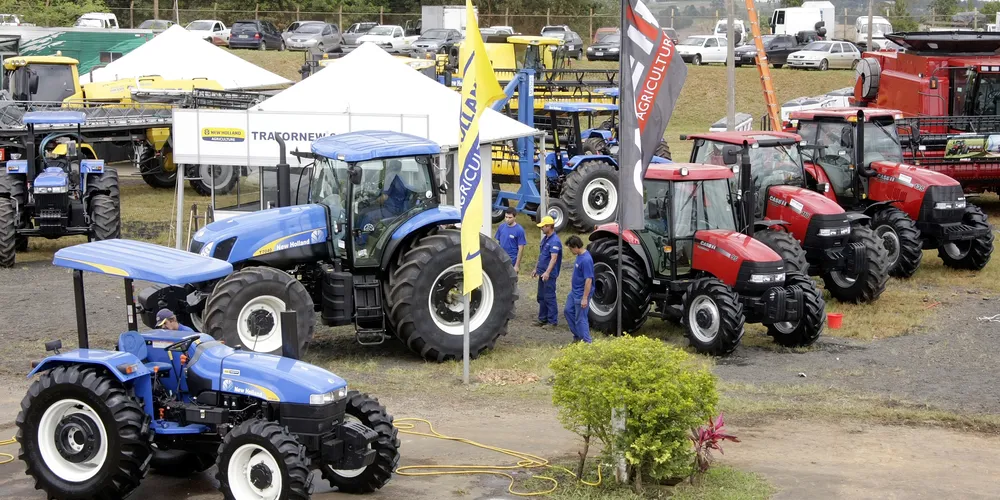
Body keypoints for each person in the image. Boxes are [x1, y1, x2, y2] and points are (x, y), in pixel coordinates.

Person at [531, 216, 562, 328]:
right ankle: (542, 319)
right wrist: (536, 269)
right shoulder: (545, 239)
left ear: (549, 226)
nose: (541, 228)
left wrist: (548, 272)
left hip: (549, 275)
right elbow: (541, 256)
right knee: (541, 296)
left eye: (543, 226)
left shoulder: (555, 241)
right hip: (542, 273)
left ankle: (552, 321)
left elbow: (553, 259)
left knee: (549, 297)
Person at [564, 236, 594, 343]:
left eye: (571, 249)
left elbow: (589, 280)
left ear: (576, 247)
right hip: (574, 292)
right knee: (568, 311)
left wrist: (585, 298)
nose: (570, 251)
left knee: (581, 318)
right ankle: (577, 335)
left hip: (581, 294)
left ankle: (586, 342)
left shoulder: (586, 260)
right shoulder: (579, 256)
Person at [494, 207, 526, 272]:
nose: (507, 219)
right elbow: (497, 242)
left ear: (515, 217)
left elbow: (521, 249)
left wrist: (517, 265)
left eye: (510, 217)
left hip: (512, 260)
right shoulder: (501, 227)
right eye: (506, 217)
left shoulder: (519, 230)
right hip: (501, 258)